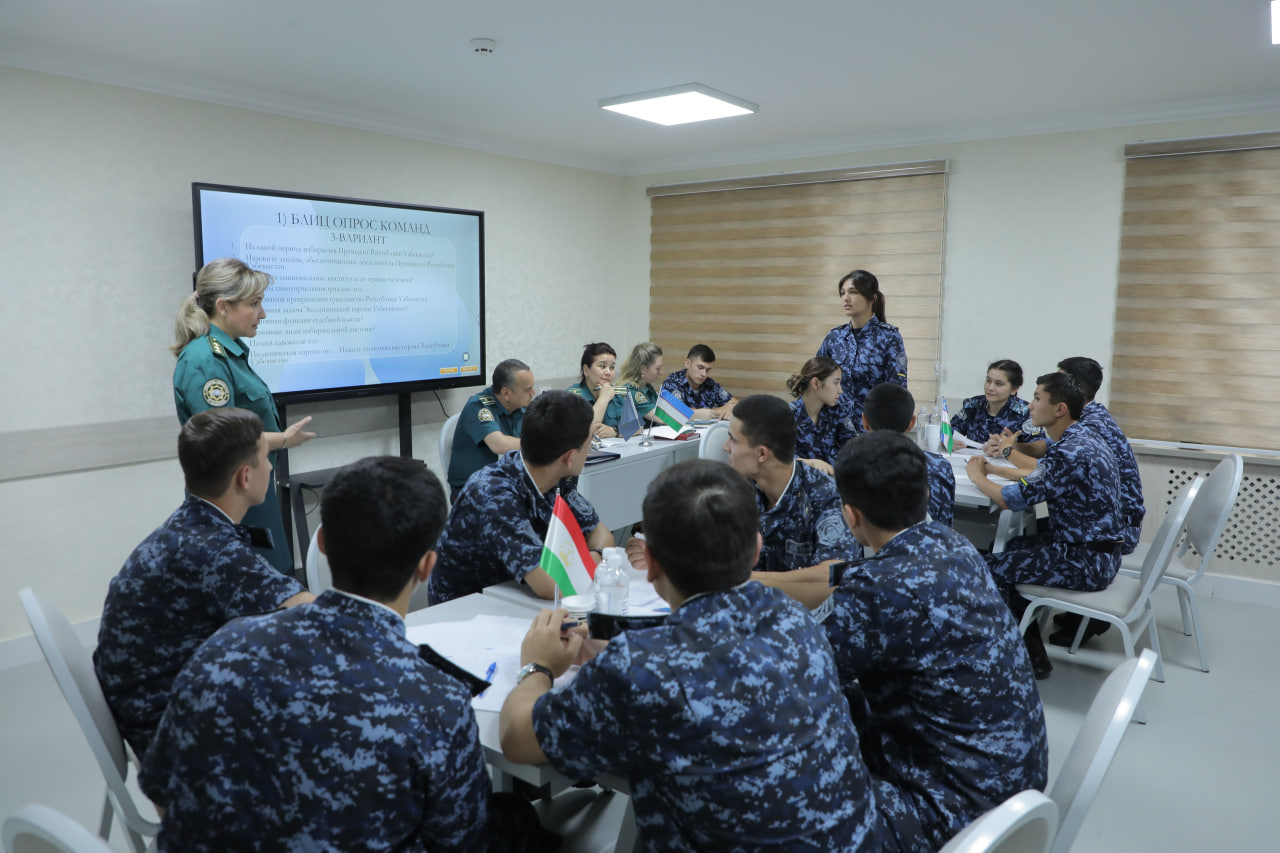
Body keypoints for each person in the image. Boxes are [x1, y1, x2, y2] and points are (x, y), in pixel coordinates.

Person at [141, 456, 544, 851]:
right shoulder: (438, 702)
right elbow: (463, 841)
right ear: (427, 566)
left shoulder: (222, 649)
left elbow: (161, 791)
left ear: (322, 543)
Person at [499, 459, 886, 851]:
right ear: (756, 550)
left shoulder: (641, 670)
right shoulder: (794, 620)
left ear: (649, 564)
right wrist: (613, 650)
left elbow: (517, 740)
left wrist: (538, 665)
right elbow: (713, 647)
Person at [812, 431, 1049, 850]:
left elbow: (802, 672)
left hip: (956, 812)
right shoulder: (954, 545)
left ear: (850, 515)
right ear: (924, 494)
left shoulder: (878, 588)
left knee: (784, 789)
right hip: (1015, 788)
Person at [93, 408, 312, 758]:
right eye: (265, 458)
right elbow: (313, 614)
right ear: (245, 477)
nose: (270, 468)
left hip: (152, 704)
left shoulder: (191, 523)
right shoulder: (215, 551)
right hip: (175, 740)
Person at [967, 373, 1125, 679]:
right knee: (1010, 547)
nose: (1030, 405)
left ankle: (1025, 660)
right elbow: (1039, 476)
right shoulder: (1080, 438)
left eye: (1038, 398)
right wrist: (996, 468)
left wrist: (977, 476)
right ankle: (1028, 642)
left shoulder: (1070, 452)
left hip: (1084, 561)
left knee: (986, 568)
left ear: (1059, 409)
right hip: (1095, 550)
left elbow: (1008, 499)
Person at [172, 257, 317, 573]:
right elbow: (222, 439)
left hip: (249, 490)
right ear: (223, 306)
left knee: (273, 578)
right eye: (254, 304)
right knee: (254, 586)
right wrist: (283, 439)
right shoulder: (205, 360)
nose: (262, 313)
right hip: (229, 497)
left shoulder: (228, 352)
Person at [428, 390, 615, 604]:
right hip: (466, 609)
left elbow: (601, 534)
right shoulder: (493, 494)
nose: (589, 451)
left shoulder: (555, 477)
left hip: (515, 595)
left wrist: (590, 558)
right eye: (588, 445)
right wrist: (593, 560)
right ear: (569, 457)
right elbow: (551, 586)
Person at [723, 394, 860, 576]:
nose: (726, 447)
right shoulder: (737, 490)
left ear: (762, 454)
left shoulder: (825, 495)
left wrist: (747, 582)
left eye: (733, 440)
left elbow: (831, 577)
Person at [816, 269, 907, 429]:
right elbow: (815, 380)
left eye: (853, 292)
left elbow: (897, 392)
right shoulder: (835, 337)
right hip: (834, 429)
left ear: (872, 298)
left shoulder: (889, 337)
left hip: (871, 429)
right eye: (842, 293)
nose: (846, 298)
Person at [862, 383, 956, 527]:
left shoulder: (852, 466)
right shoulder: (939, 467)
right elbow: (945, 524)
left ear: (864, 421)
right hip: (929, 540)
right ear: (912, 423)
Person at [446, 358, 536, 499]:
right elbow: (500, 445)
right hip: (473, 490)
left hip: (506, 485)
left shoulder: (521, 408)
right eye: (528, 389)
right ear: (506, 393)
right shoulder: (478, 406)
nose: (533, 393)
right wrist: (540, 444)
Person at [946, 359, 1047, 453]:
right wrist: (947, 440)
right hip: (970, 461)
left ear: (1014, 389)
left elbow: (1040, 448)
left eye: (999, 384)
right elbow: (949, 430)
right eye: (988, 381)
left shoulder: (1025, 412)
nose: (990, 388)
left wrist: (1012, 447)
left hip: (1008, 464)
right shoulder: (973, 405)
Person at [786, 356, 858, 475]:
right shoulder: (787, 416)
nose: (840, 390)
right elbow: (779, 460)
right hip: (801, 483)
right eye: (836, 383)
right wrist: (811, 463)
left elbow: (853, 446)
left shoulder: (837, 411)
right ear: (816, 383)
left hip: (834, 480)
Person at [660, 344, 737, 420]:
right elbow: (676, 412)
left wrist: (730, 409)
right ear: (687, 363)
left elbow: (735, 404)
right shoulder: (672, 382)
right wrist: (718, 411)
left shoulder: (710, 384)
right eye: (700, 368)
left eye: (708, 370)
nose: (704, 374)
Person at [567, 342, 625, 437]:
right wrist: (603, 399)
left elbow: (638, 425)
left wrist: (614, 431)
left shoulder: (617, 393)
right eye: (602, 366)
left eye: (612, 367)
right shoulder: (572, 397)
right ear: (586, 370)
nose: (608, 372)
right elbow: (585, 432)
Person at [618, 341, 664, 423]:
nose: (661, 372)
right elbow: (663, 418)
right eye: (657, 368)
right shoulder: (631, 390)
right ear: (643, 369)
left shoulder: (647, 387)